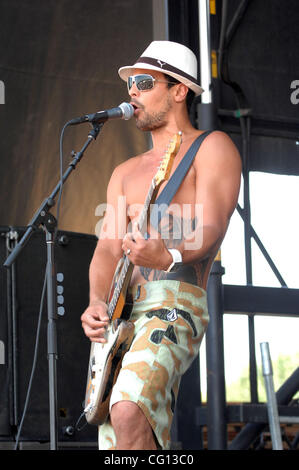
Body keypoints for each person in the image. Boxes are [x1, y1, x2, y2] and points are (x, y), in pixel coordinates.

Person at [81, 40, 241, 450]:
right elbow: (107, 249)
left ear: (179, 90)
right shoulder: (125, 172)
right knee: (117, 434)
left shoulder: (213, 147)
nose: (132, 91)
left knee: (129, 407)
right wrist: (97, 300)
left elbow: (212, 224)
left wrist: (168, 254)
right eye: (130, 84)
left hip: (176, 301)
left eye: (143, 82)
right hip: (122, 315)